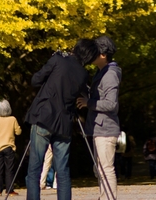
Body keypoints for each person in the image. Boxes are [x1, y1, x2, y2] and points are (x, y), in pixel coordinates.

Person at [25, 39, 99, 200]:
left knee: (35, 169)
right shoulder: (83, 73)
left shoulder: (58, 60)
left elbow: (35, 80)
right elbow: (84, 95)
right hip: (64, 123)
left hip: (44, 117)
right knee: (63, 171)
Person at [77, 35, 122, 200]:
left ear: (103, 54)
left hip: (106, 128)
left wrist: (89, 102)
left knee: (106, 168)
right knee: (100, 169)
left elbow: (111, 104)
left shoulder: (109, 74)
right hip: (99, 127)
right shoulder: (102, 72)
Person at [0, 99, 22, 196]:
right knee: (9, 169)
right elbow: (18, 132)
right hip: (9, 146)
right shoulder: (12, 119)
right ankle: (10, 190)